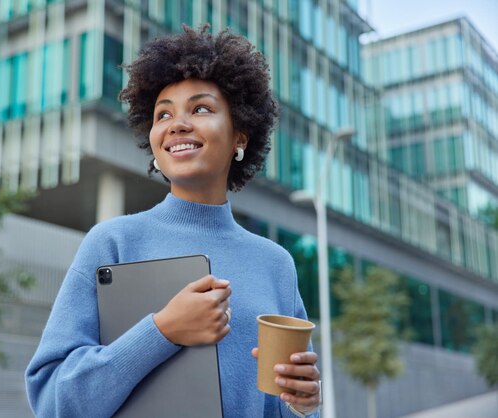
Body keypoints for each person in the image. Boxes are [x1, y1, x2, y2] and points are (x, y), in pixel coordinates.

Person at [25, 25, 321, 418]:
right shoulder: (112, 242)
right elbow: (50, 400)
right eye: (163, 113)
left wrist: (304, 405)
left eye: (200, 109)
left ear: (240, 137)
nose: (176, 124)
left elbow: (279, 407)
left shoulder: (275, 264)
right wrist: (162, 331)